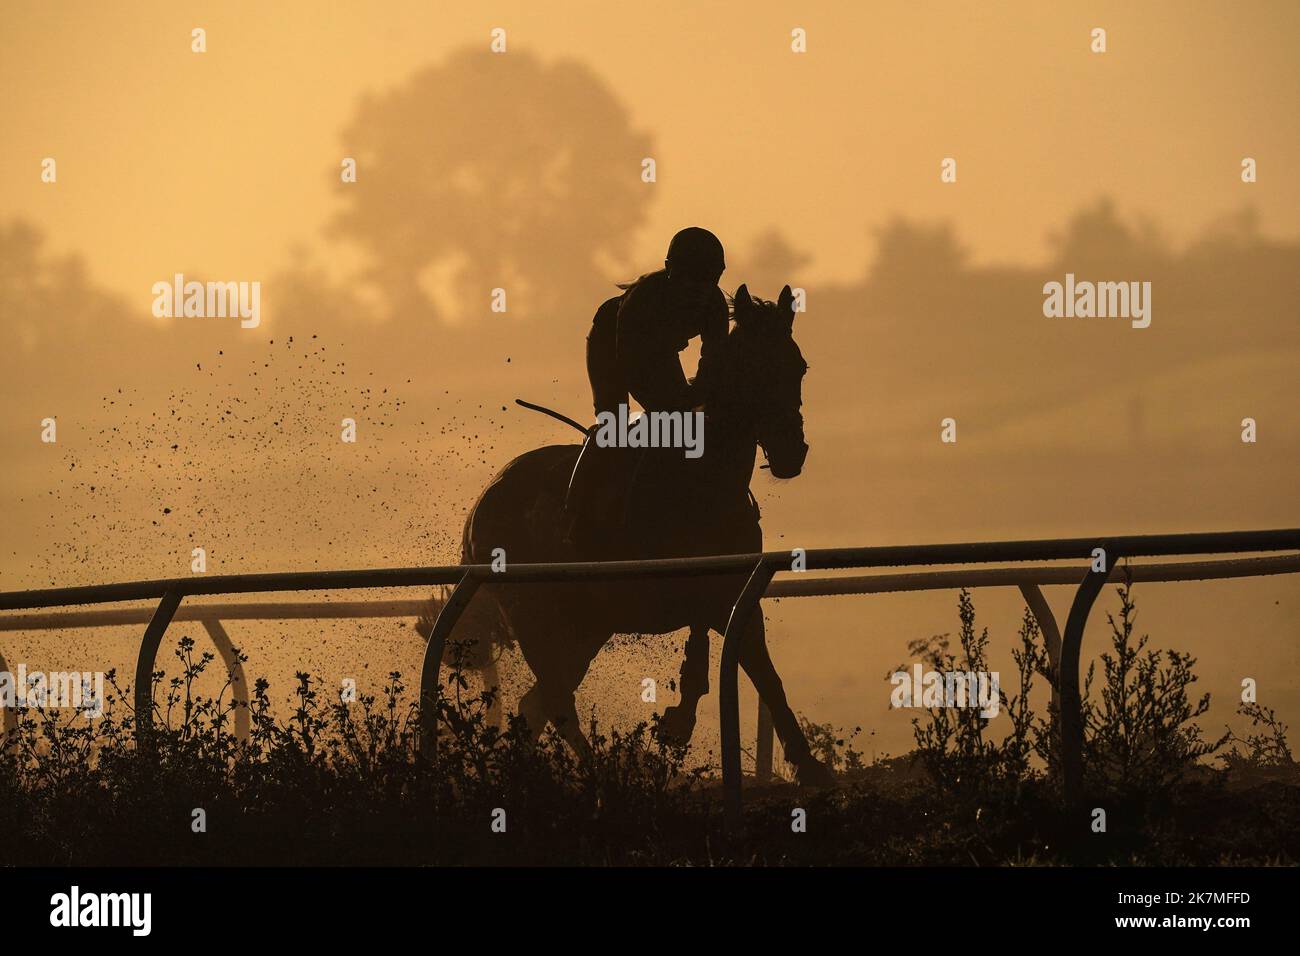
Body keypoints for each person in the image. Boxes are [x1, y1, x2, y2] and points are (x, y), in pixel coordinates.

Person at [565, 227, 729, 549]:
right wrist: (674, 407)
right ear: (670, 270)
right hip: (612, 346)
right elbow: (632, 369)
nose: (700, 290)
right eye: (691, 279)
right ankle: (577, 517)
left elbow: (714, 362)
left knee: (687, 424)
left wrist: (700, 396)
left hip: (659, 352)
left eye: (709, 279)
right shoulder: (641, 302)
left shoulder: (714, 304)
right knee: (613, 427)